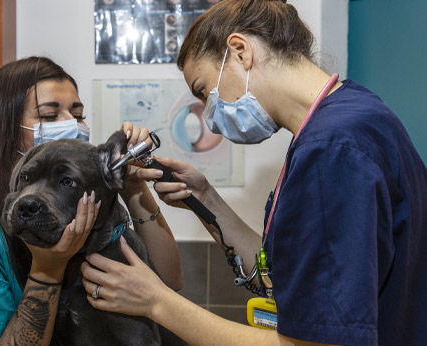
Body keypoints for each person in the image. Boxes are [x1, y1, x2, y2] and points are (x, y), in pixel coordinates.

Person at [80, 0, 427, 345]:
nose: (210, 116)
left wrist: (155, 301)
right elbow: (293, 279)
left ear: (240, 51)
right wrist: (205, 198)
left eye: (204, 91)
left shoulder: (330, 149)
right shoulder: (355, 115)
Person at [0, 56, 183, 345]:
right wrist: (47, 268)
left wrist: (130, 185)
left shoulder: (80, 199)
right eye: (48, 116)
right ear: (7, 129)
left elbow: (168, 285)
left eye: (77, 114)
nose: (71, 124)